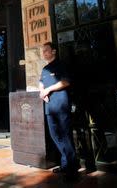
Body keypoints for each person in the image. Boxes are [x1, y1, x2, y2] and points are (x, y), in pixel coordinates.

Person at [39, 42, 79, 180]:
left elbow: (66, 82)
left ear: (54, 51)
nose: (44, 53)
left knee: (66, 137)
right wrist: (42, 92)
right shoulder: (44, 69)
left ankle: (73, 171)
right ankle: (66, 164)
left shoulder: (61, 65)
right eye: (42, 51)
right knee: (55, 136)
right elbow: (41, 82)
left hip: (61, 106)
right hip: (49, 109)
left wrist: (48, 90)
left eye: (46, 50)